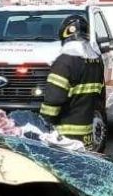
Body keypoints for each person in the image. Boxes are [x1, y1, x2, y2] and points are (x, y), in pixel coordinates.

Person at [40, 14, 105, 149]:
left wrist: (43, 123)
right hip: (86, 133)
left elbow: (54, 99)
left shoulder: (64, 62)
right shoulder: (96, 61)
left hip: (64, 135)